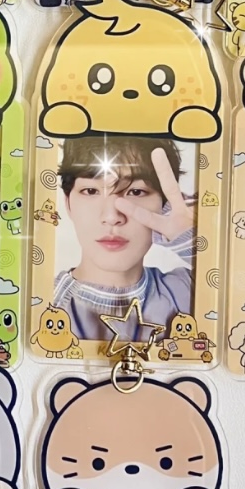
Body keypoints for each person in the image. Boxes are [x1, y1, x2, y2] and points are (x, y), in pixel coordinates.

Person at [53, 137, 193, 339]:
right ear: (68, 204)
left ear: (164, 206)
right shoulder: (38, 303)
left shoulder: (189, 293)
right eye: (91, 191)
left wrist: (192, 240)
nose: (112, 217)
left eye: (136, 191)